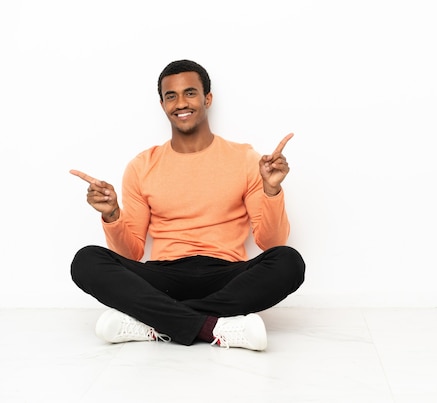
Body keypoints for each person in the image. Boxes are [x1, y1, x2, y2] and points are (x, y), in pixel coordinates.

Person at [69, 59, 305, 351]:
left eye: (190, 93)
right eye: (171, 96)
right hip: (163, 276)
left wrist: (271, 190)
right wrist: (113, 215)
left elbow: (272, 242)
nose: (181, 103)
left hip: (226, 275)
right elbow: (131, 252)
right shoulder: (142, 166)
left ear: (207, 99)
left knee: (289, 261)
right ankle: (212, 326)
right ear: (163, 104)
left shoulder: (244, 159)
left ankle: (153, 322)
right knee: (86, 260)